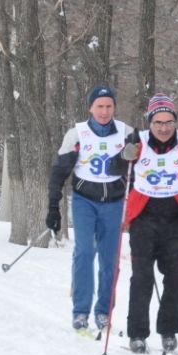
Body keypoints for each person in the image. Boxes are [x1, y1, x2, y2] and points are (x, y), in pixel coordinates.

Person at [109, 93, 178, 354]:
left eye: (169, 122)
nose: (164, 127)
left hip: (177, 217)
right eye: (158, 122)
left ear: (175, 121)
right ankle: (137, 334)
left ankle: (168, 330)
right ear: (150, 122)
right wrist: (126, 156)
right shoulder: (137, 139)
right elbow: (115, 169)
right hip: (144, 217)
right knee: (142, 278)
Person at [47, 86, 133, 332]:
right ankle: (81, 311)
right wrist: (53, 206)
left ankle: (104, 311)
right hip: (85, 200)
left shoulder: (127, 133)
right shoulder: (77, 134)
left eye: (108, 106)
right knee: (85, 253)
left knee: (110, 260)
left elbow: (140, 167)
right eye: (99, 106)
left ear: (114, 107)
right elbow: (59, 172)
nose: (104, 112)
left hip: (115, 202)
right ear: (90, 108)